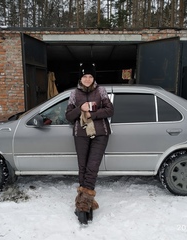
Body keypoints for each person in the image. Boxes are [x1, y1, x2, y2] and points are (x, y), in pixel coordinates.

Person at [66, 63, 114, 225]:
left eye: (90, 76)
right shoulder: (74, 93)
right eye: (85, 76)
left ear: (94, 78)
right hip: (81, 133)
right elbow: (68, 116)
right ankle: (85, 203)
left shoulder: (100, 91)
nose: (87, 79)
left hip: (100, 133)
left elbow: (110, 110)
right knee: (83, 167)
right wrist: (81, 108)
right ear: (80, 78)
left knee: (92, 167)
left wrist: (92, 114)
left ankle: (82, 206)